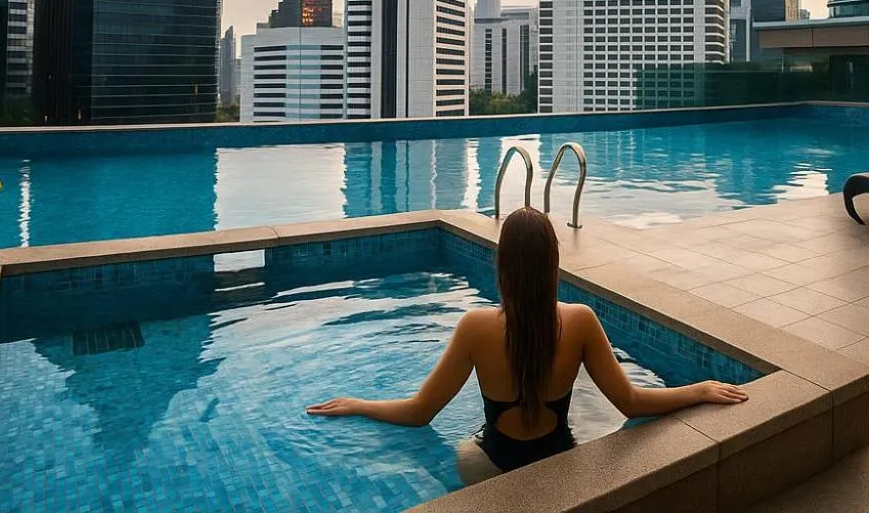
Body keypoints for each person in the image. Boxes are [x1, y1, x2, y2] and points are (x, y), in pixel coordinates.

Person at [307, 206, 748, 483]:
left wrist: (361, 403)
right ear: (553, 262)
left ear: (502, 267)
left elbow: (420, 413)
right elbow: (631, 402)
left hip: (489, 468)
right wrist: (699, 389)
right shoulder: (581, 321)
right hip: (558, 462)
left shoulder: (475, 327)